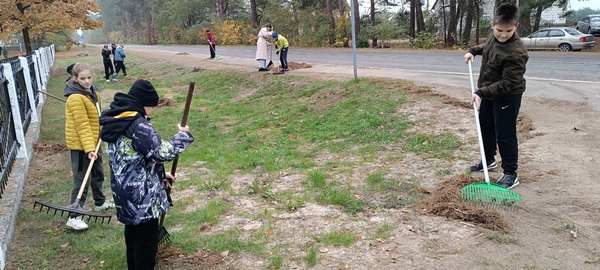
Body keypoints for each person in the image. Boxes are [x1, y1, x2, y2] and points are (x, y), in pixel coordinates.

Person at [100, 79, 194, 270]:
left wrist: (159, 175)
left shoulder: (119, 119)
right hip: (143, 200)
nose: (153, 111)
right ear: (145, 103)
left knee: (133, 237)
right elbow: (162, 152)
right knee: (145, 245)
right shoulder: (137, 125)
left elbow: (132, 159)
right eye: (152, 106)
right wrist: (183, 135)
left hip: (125, 193)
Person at [464, 3, 528, 189]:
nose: (503, 34)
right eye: (499, 30)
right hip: (490, 91)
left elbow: (508, 84)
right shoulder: (494, 37)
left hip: (508, 95)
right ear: (493, 25)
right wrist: (473, 50)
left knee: (505, 134)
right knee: (486, 127)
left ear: (515, 27)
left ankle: (510, 173)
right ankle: (488, 160)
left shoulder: (516, 52)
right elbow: (489, 47)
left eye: (508, 31)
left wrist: (480, 92)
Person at [64, 63, 114, 231]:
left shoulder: (90, 93)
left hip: (94, 141)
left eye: (89, 78)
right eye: (82, 78)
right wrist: (89, 150)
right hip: (81, 146)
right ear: (75, 79)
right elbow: (83, 125)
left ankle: (99, 203)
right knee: (81, 180)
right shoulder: (75, 98)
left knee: (97, 173)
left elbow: (94, 116)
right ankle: (74, 216)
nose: (86, 81)